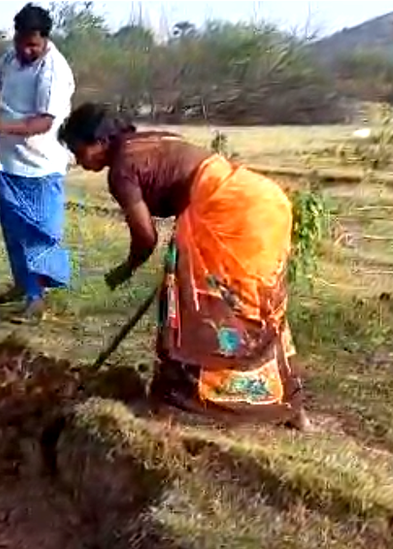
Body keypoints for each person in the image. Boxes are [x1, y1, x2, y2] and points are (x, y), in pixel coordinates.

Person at [59, 102, 308, 430]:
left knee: (195, 312)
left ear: (101, 141)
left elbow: (145, 238)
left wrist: (127, 268)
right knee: (258, 308)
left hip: (229, 215)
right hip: (265, 201)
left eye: (80, 152)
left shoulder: (121, 170)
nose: (79, 161)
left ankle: (169, 403)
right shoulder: (153, 139)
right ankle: (291, 408)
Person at [0, 3, 74, 322]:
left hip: (41, 167)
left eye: (33, 45)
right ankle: (22, 284)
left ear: (45, 40)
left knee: (38, 235)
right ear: (15, 37)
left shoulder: (53, 70)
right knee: (14, 233)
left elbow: (43, 122)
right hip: (9, 163)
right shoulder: (10, 58)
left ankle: (36, 299)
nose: (27, 50)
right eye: (22, 43)